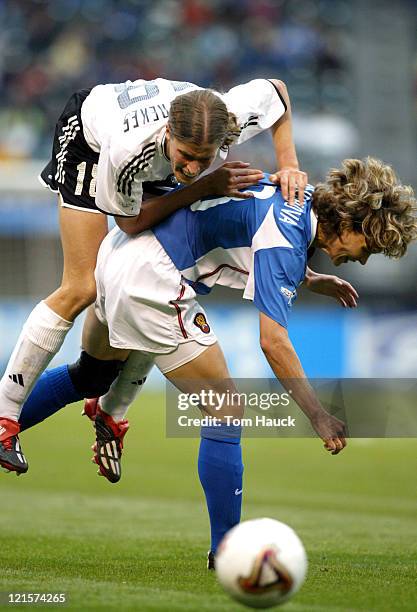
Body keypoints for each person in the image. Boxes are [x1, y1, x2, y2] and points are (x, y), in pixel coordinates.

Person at [12, 158, 417, 566]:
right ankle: (227, 549)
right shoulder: (287, 241)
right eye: (370, 247)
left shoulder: (300, 194)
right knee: (225, 407)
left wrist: (309, 278)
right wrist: (318, 415)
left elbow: (253, 228)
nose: (363, 260)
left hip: (118, 257)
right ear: (352, 224)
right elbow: (273, 342)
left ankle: (7, 420)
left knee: (91, 375)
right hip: (151, 281)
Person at [0, 76, 308, 453]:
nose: (194, 167)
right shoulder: (129, 151)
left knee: (160, 276)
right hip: (90, 140)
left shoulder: (228, 118)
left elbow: (277, 89)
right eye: (187, 156)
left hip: (148, 149)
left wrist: (289, 163)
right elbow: (131, 223)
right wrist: (204, 187)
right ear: (168, 133)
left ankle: (111, 408)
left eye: (204, 159)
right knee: (82, 286)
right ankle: (5, 413)